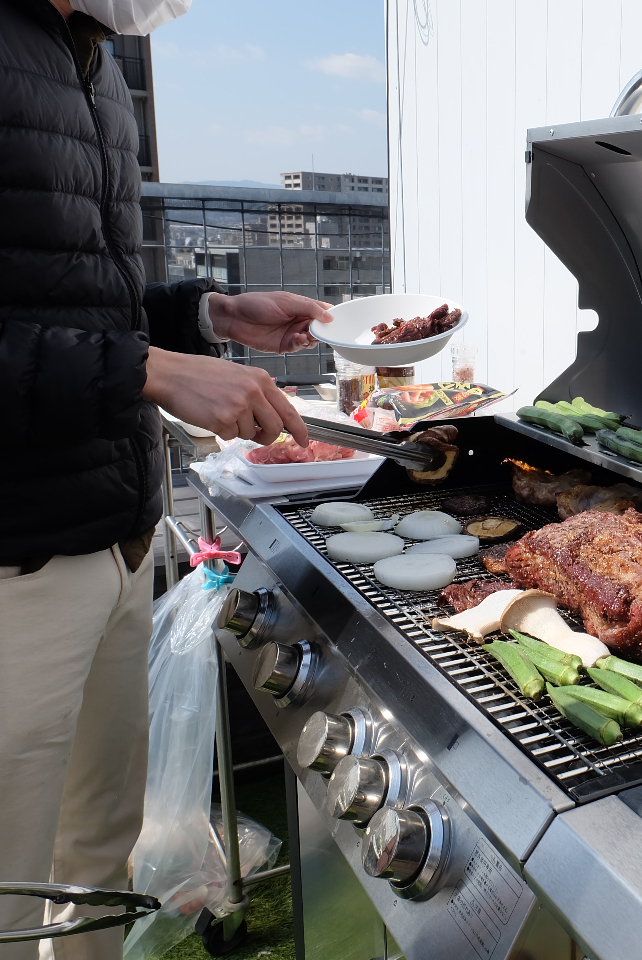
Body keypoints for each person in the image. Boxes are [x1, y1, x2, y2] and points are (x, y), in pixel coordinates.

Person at [0, 1, 330, 956]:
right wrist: (150, 373)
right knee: (10, 885)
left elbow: (77, 302)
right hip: (15, 560)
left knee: (98, 850)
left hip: (118, 530)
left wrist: (210, 311)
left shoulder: (96, 61)